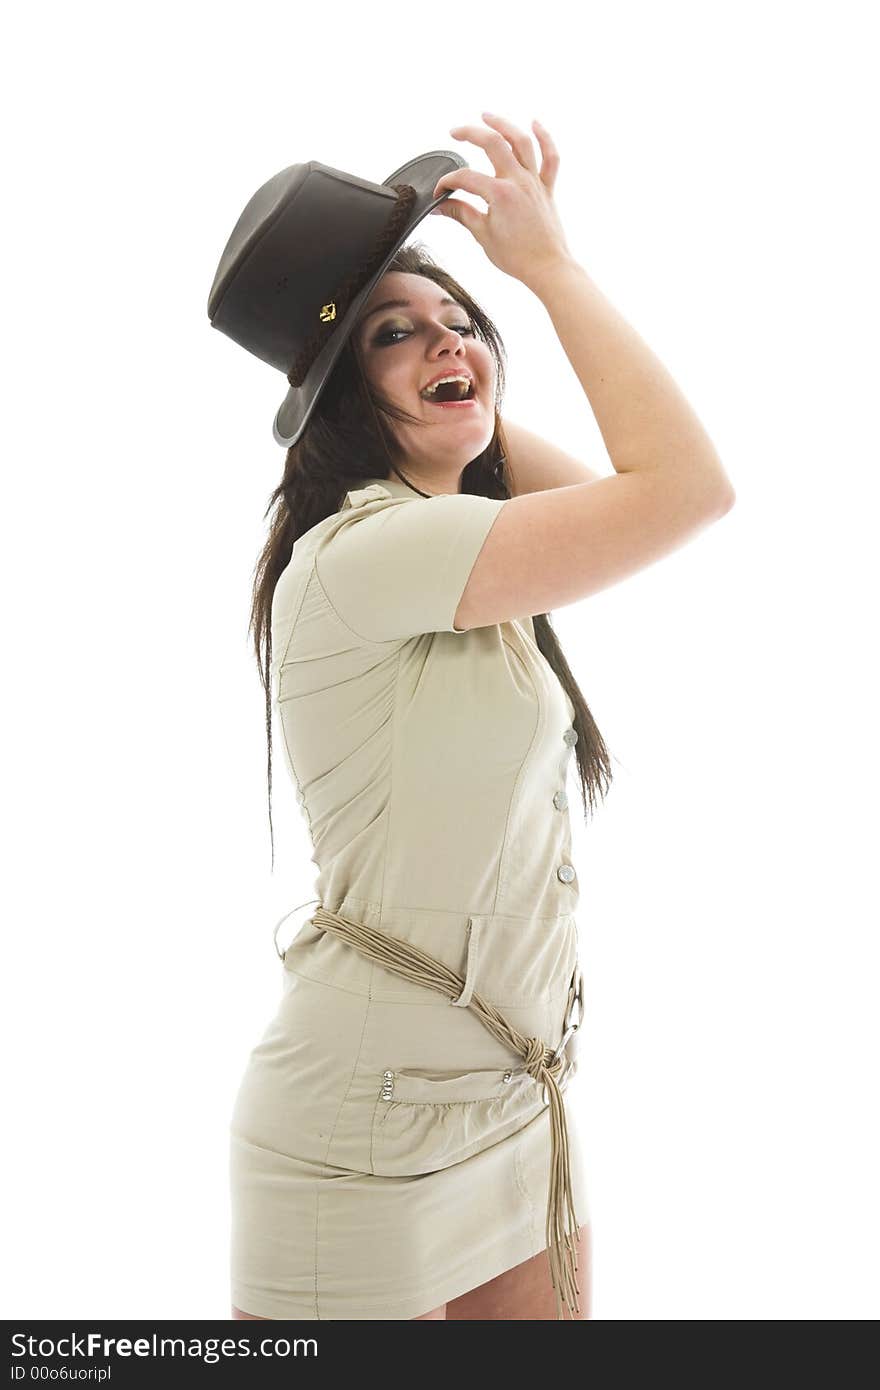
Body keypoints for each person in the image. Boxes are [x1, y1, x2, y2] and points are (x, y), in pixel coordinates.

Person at [216, 113, 736, 1322]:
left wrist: (428, 370)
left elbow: (626, 498)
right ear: (340, 400)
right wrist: (546, 271)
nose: (448, 337)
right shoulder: (376, 550)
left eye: (461, 321)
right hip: (361, 1124)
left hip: (513, 1088)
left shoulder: (456, 543)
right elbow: (684, 490)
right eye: (395, 333)